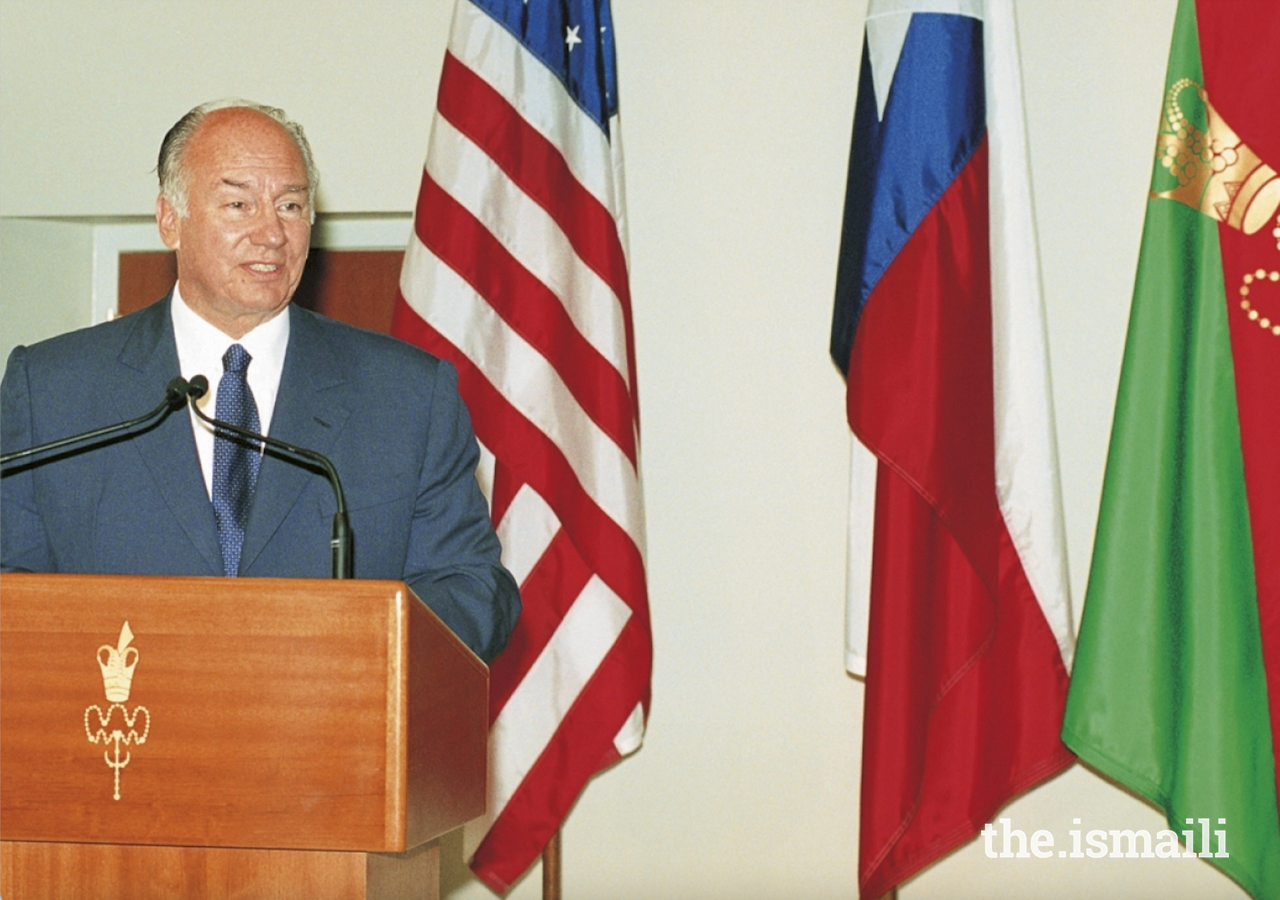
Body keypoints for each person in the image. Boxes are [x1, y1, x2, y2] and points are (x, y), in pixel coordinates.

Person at [0, 99, 519, 663]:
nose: (271, 233)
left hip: (331, 733)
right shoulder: (53, 391)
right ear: (170, 220)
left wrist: (360, 655)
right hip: (117, 734)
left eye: (291, 205)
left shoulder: (407, 397)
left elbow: (470, 587)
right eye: (238, 203)